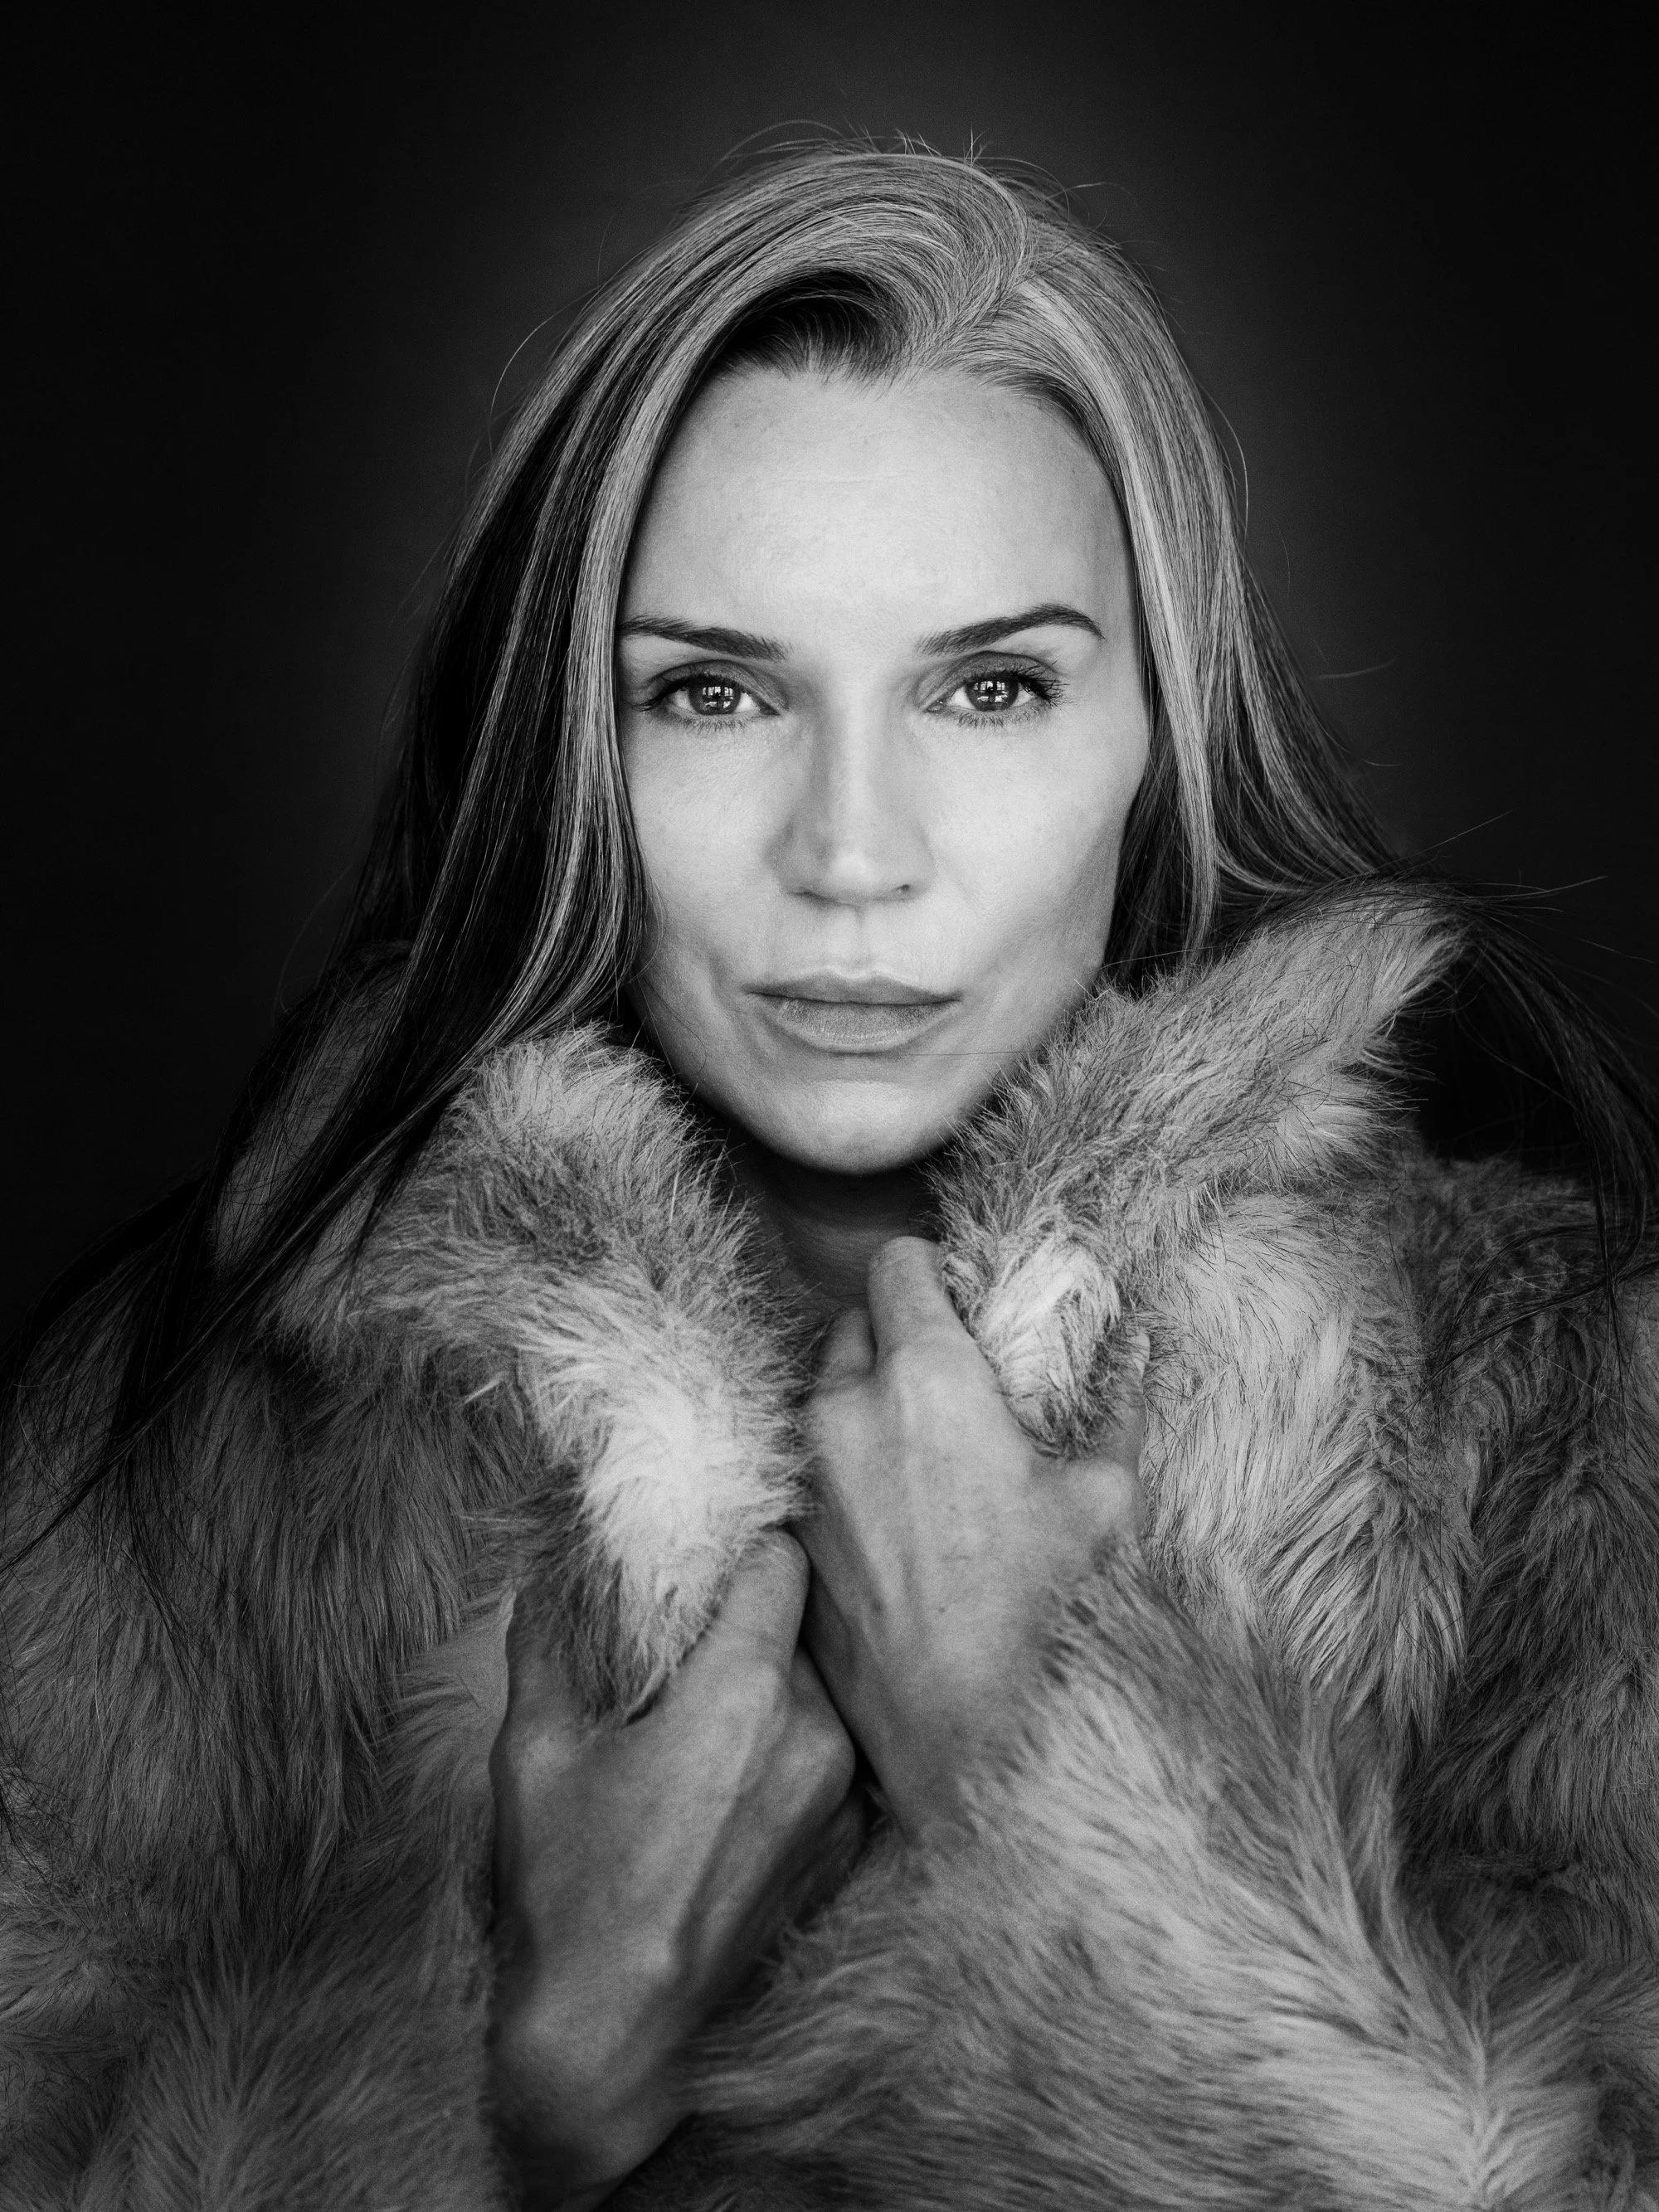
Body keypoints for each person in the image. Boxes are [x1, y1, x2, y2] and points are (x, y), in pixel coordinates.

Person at [2, 142, 1654, 2211]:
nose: (853, 850)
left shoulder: (1564, 1415)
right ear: (564, 762)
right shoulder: (172, 1448)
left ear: (1159, 739)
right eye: (710, 690)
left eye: (988, 687)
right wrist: (543, 2095)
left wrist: (1032, 1793)